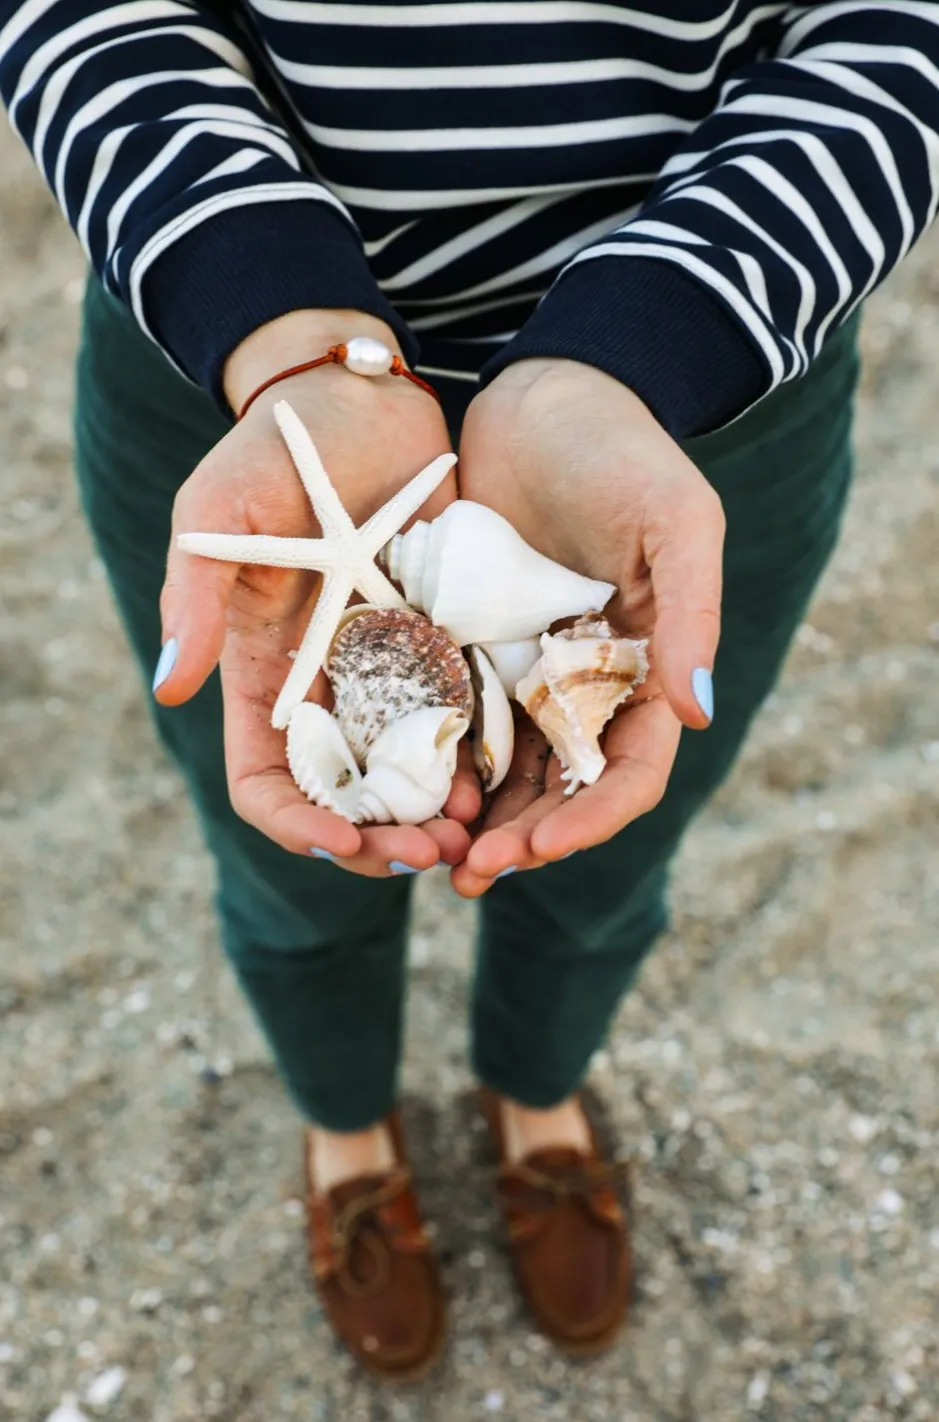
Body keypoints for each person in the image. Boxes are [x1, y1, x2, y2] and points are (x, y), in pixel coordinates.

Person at [3, 0, 937, 1382]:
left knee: (604, 845)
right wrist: (281, 327)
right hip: (239, 375)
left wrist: (649, 335)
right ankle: (345, 1124)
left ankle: (535, 1093)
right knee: (286, 858)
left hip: (690, 393)